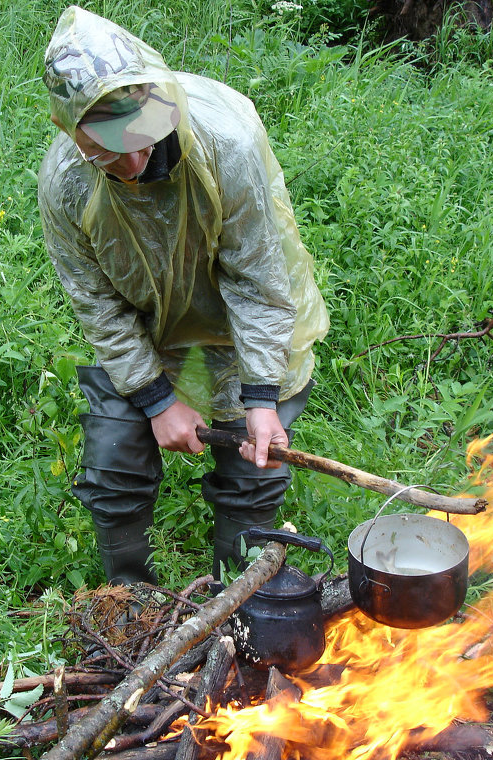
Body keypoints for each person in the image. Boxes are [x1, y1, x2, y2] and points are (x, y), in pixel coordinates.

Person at [38, 5, 329, 587]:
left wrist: (262, 398)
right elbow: (99, 306)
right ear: (72, 133)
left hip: (246, 319)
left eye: (140, 138)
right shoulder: (66, 184)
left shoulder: (227, 143)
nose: (134, 161)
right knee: (113, 466)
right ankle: (131, 610)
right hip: (148, 330)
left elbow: (257, 280)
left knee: (254, 470)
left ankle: (238, 604)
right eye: (108, 151)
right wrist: (156, 400)